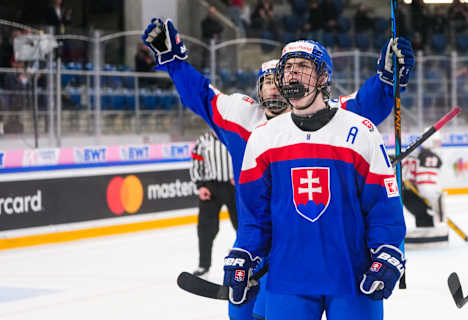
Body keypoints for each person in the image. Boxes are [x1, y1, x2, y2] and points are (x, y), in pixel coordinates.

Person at [142, 18, 414, 320]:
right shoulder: (246, 122)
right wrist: (175, 62)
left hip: (327, 252)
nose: (278, 83)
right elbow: (201, 96)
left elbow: (367, 105)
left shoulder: (335, 117)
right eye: (271, 77)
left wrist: (388, 79)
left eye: (285, 74)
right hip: (265, 250)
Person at [225, 40, 407, 320]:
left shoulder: (360, 131)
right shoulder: (263, 138)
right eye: (287, 68)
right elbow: (254, 217)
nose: (292, 74)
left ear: (323, 77)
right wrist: (244, 253)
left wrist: (387, 249)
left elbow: (383, 208)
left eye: (302, 66)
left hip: (352, 275)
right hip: (288, 277)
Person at [189, 130, 237, 277]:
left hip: (234, 187)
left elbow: (244, 157)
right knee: (205, 229)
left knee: (243, 226)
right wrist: (200, 185)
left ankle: (249, 261)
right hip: (211, 188)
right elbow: (196, 164)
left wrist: (240, 177)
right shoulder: (203, 140)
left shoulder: (233, 135)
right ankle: (204, 265)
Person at [402, 132, 448, 247]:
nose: (439, 145)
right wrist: (434, 201)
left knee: (423, 217)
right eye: (437, 142)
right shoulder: (429, 156)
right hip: (414, 194)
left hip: (405, 192)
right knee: (427, 217)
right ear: (430, 142)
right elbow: (426, 184)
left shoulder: (416, 153)